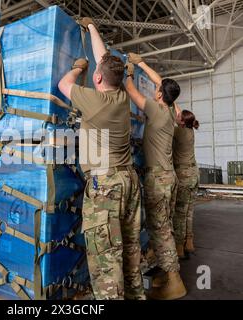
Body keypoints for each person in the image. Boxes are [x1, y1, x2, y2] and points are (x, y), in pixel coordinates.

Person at [58, 18, 145, 300]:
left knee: (105, 257)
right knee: (130, 248)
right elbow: (103, 58)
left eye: (95, 71)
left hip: (106, 185)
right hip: (128, 179)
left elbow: (63, 84)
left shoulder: (93, 102)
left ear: (97, 79)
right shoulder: (121, 98)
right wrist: (93, 28)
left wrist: (76, 68)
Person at [124, 54, 187, 300]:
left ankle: (174, 281)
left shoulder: (156, 109)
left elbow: (130, 89)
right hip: (169, 177)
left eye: (158, 89)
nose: (156, 89)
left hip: (158, 179)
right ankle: (167, 271)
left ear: (160, 95)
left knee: (159, 229)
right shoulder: (172, 110)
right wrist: (141, 63)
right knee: (165, 226)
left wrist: (129, 71)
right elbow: (160, 80)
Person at [172, 107, 200, 258]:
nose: (176, 115)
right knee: (189, 212)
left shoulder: (178, 132)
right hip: (194, 175)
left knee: (180, 214)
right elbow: (180, 115)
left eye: (179, 116)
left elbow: (165, 124)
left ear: (182, 122)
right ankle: (189, 242)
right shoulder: (190, 130)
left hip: (183, 176)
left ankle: (179, 247)